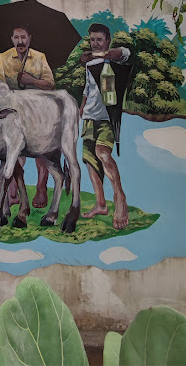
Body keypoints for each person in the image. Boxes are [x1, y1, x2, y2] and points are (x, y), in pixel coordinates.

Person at [0, 25, 54, 208]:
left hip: (36, 111)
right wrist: (3, 89)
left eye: (24, 37)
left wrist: (32, 81)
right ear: (12, 39)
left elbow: (50, 83)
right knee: (13, 148)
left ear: (29, 38)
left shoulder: (39, 57)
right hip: (13, 109)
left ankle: (41, 188)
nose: (20, 41)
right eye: (17, 37)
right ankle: (13, 191)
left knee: (41, 152)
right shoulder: (3, 57)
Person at [79, 23, 130, 230]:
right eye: (92, 40)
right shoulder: (89, 64)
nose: (95, 43)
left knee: (103, 154)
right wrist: (81, 108)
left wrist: (100, 54)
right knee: (90, 161)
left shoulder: (115, 57)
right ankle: (101, 204)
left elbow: (124, 52)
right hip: (89, 117)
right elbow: (87, 88)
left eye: (99, 39)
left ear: (108, 40)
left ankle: (119, 198)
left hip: (107, 118)